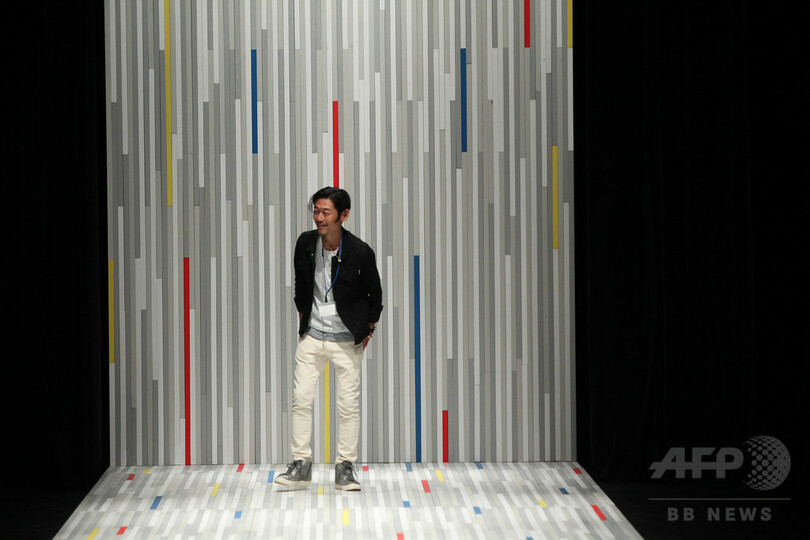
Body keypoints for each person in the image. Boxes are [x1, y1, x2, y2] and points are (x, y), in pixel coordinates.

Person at [274, 187, 383, 491]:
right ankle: (301, 465)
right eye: (316, 211)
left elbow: (375, 294)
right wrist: (303, 317)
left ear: (343, 215)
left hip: (346, 339)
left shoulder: (360, 251)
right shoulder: (306, 243)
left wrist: (369, 329)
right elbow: (300, 285)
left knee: (347, 405)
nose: (319, 218)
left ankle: (345, 467)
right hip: (312, 336)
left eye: (326, 212)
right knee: (301, 400)